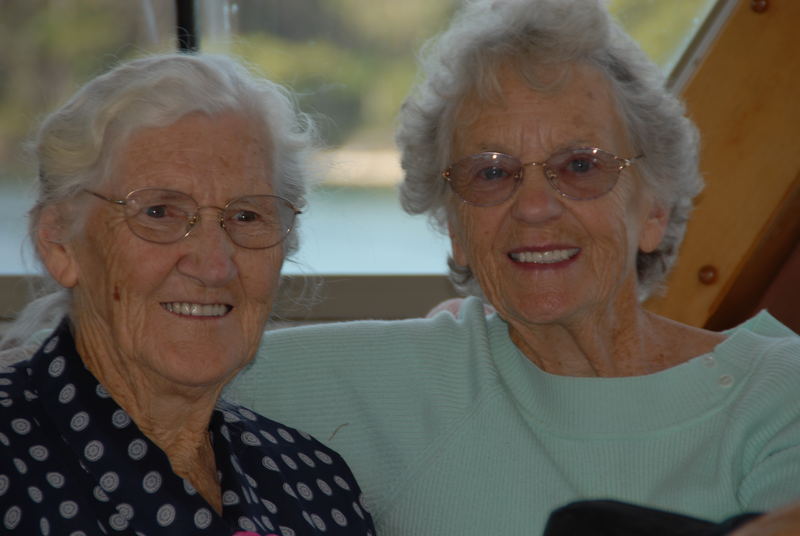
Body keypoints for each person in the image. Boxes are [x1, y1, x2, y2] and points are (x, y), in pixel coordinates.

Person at [228, 0, 800, 534]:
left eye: (580, 165)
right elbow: (156, 377)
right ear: (455, 230)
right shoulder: (403, 380)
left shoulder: (778, 390)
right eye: (492, 173)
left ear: (653, 210)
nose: (533, 206)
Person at [0, 53, 375, 535]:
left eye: (246, 216)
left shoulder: (315, 487)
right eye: (159, 212)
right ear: (59, 244)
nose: (214, 265)